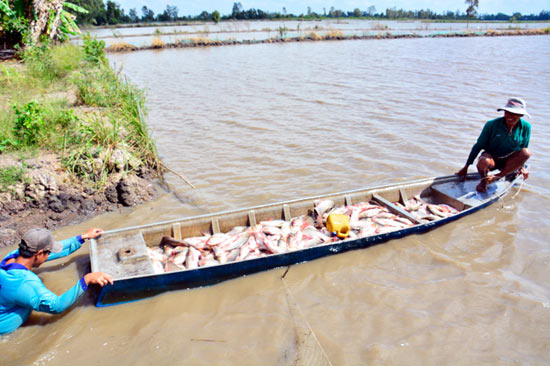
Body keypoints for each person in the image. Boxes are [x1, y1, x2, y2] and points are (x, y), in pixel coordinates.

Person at [0, 227, 113, 336]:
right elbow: (56, 306)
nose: (49, 255)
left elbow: (52, 253)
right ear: (39, 254)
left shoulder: (12, 257)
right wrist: (86, 280)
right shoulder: (24, 283)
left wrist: (82, 237)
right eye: (48, 253)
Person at [456, 97, 531, 192]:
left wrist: (522, 167)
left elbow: (523, 148)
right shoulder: (491, 124)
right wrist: (466, 166)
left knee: (526, 153)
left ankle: (498, 177)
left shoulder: (526, 127)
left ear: (521, 115)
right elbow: (478, 146)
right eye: (507, 112)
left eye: (514, 114)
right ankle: (483, 181)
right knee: (484, 161)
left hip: (509, 161)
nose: (510, 116)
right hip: (492, 159)